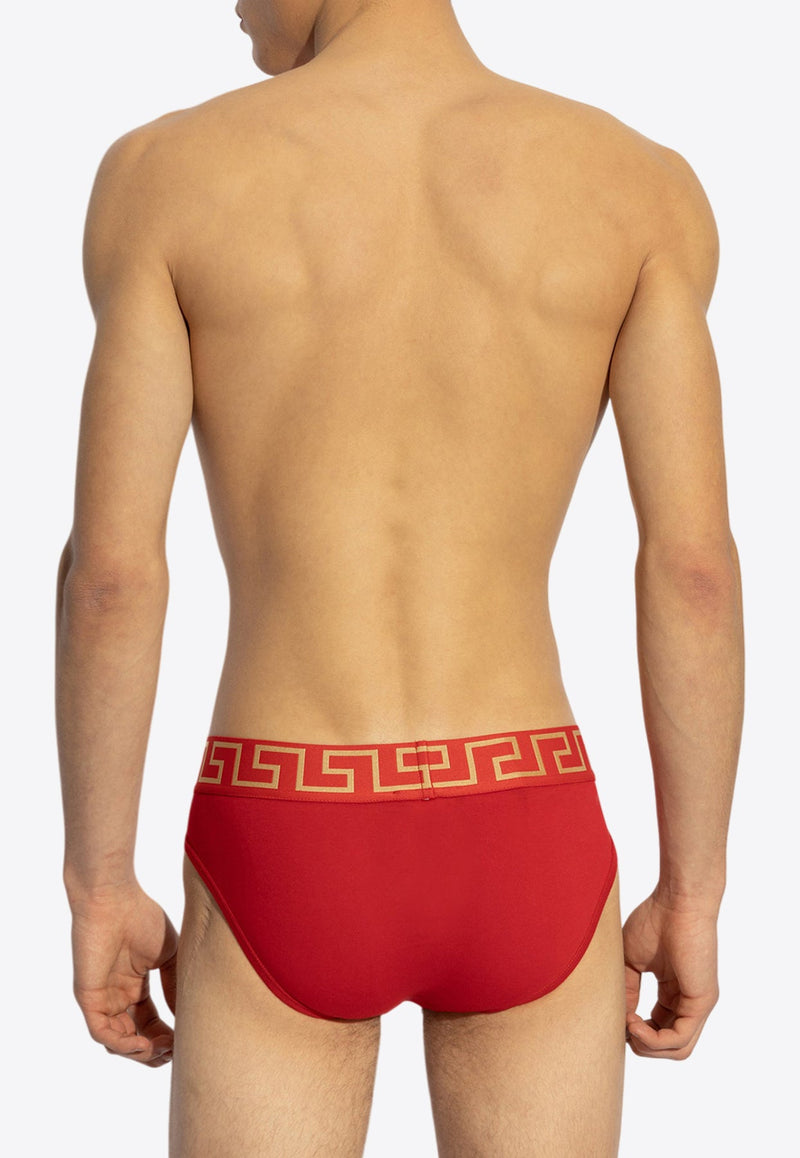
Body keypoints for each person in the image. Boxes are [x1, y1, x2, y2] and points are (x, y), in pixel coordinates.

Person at [54, 1, 745, 1154]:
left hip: (287, 814)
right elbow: (692, 573)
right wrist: (695, 888)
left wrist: (99, 881)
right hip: (524, 813)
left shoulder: (163, 175)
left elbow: (112, 580)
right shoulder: (636, 185)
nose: (228, 2)